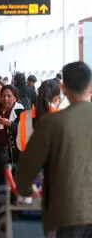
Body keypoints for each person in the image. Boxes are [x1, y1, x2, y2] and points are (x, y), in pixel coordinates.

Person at [16, 62, 92, 237]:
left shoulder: (53, 123)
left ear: (63, 88)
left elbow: (26, 168)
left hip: (67, 211)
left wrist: (27, 189)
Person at [0, 85, 24, 186]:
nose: (5, 99)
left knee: (9, 180)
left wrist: (10, 124)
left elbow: (24, 132)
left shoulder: (20, 111)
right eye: (3, 95)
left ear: (15, 98)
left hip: (12, 152)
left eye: (9, 96)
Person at [17, 79, 61, 152]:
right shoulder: (61, 116)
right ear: (56, 98)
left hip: (29, 160)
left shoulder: (25, 116)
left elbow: (20, 144)